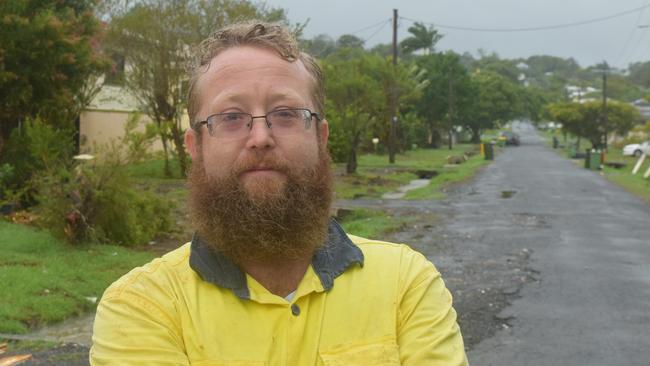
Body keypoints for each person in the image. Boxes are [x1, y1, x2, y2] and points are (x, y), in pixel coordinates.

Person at [90, 21, 468, 365]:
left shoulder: (405, 283)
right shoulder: (142, 307)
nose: (260, 138)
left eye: (286, 113)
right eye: (231, 117)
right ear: (195, 147)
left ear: (320, 138)